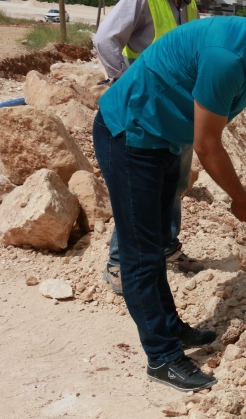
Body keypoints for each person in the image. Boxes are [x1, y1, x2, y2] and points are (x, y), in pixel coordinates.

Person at [93, 5, 246, 392]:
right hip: (130, 136)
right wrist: (241, 201)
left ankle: (170, 327)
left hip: (160, 139)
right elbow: (208, 146)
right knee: (139, 255)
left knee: (155, 244)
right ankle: (162, 357)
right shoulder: (228, 57)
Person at [94, 0, 203, 294]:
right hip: (146, 105)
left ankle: (166, 245)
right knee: (140, 188)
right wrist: (122, 80)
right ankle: (118, 263)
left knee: (176, 182)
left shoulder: (189, 5)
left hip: (177, 106)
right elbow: (105, 38)